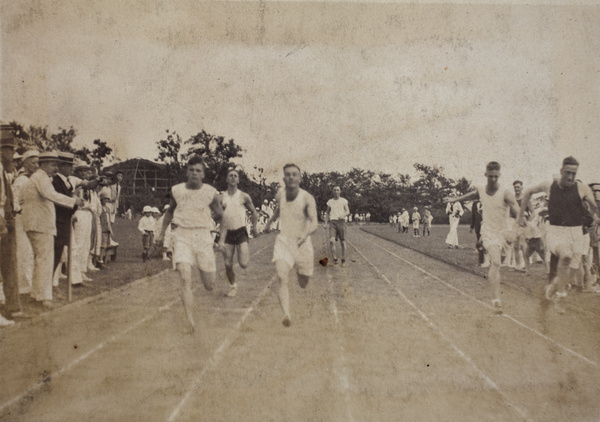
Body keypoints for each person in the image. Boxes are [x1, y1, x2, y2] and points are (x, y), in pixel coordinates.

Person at [518, 157, 600, 313]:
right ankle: (560, 296)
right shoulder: (549, 186)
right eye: (567, 173)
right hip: (556, 231)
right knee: (566, 255)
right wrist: (520, 215)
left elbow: (595, 208)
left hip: (576, 233)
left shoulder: (582, 189)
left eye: (573, 174)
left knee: (572, 271)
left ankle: (553, 288)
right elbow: (528, 192)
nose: (570, 177)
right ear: (562, 171)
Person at [157, 155, 223, 333]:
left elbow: (221, 216)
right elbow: (170, 212)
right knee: (185, 277)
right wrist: (161, 233)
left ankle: (205, 273)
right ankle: (189, 321)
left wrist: (221, 238)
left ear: (203, 174)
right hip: (182, 236)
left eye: (198, 171)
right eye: (191, 170)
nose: (194, 173)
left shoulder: (210, 192)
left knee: (209, 284)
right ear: (187, 172)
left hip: (202, 236)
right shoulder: (177, 190)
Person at [445, 162, 520, 314]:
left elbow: (517, 212)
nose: (493, 179)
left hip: (504, 232)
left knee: (502, 258)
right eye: (490, 176)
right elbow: (472, 194)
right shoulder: (481, 189)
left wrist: (514, 231)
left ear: (499, 175)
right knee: (496, 262)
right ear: (485, 175)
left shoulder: (506, 192)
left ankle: (483, 245)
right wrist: (454, 200)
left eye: (496, 176)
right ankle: (496, 300)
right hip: (489, 231)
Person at [22, 152, 84, 308]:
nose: (56, 167)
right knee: (45, 260)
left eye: (57, 164)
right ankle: (44, 297)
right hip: (40, 225)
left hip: (39, 224)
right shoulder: (41, 177)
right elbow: (50, 195)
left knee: (41, 259)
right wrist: (73, 200)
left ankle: (37, 294)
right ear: (43, 164)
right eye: (53, 164)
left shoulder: (40, 177)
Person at [265, 163, 318, 327]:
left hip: (302, 243)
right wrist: (269, 223)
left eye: (295, 174)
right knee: (282, 277)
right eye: (288, 174)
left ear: (300, 178)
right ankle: (286, 314)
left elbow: (314, 221)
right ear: (283, 178)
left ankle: (300, 269)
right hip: (284, 241)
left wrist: (305, 234)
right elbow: (277, 211)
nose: (291, 177)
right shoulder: (279, 194)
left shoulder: (307, 198)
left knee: (303, 282)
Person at [0, 126, 29, 320]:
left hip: (7, 221)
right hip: (1, 221)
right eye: (10, 150)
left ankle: (12, 307)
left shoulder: (4, 171)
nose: (12, 155)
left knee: (9, 265)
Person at [217, 168, 259, 297]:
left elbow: (254, 212)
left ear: (238, 180)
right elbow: (215, 216)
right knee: (228, 263)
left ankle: (229, 273)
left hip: (240, 232)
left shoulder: (244, 196)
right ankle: (233, 286)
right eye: (230, 175)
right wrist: (220, 212)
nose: (233, 177)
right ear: (226, 179)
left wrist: (255, 227)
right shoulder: (221, 197)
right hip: (227, 233)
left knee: (244, 264)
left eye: (235, 176)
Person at [325, 186, 350, 266]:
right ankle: (335, 259)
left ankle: (343, 259)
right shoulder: (330, 202)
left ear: (340, 191)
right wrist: (326, 223)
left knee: (342, 242)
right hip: (333, 222)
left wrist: (343, 215)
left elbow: (347, 211)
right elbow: (327, 213)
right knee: (332, 241)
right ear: (333, 191)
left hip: (341, 222)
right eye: (334, 190)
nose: (336, 191)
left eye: (337, 190)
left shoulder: (344, 201)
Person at [469, 200, 488, 267]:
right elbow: (473, 215)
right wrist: (472, 227)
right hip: (478, 227)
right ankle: (481, 261)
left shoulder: (488, 201)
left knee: (486, 244)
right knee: (479, 244)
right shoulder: (475, 203)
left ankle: (488, 261)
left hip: (487, 226)